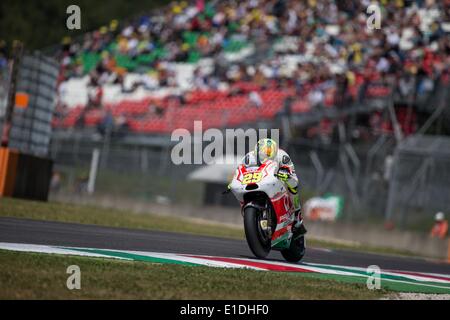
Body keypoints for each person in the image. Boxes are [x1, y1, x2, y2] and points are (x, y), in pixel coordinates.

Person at [237, 138, 307, 239]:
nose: (265, 158)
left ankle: (297, 214)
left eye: (269, 156)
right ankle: (253, 222)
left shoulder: (282, 156)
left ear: (274, 152)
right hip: (258, 180)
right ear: (256, 152)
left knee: (293, 186)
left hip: (277, 180)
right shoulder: (249, 157)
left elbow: (293, 175)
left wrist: (287, 174)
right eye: (262, 155)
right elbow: (240, 171)